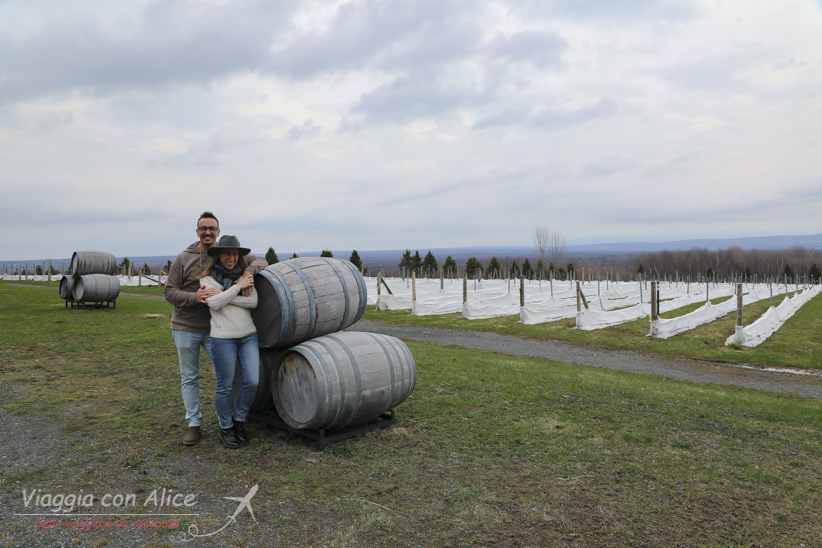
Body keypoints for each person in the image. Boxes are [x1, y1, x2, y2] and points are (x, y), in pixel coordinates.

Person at [164, 212, 266, 446]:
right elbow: (169, 292)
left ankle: (231, 421)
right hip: (187, 326)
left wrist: (249, 272)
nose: (208, 232)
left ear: (218, 232)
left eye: (212, 228)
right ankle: (194, 424)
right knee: (190, 377)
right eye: (203, 228)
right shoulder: (184, 258)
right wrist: (194, 297)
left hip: (216, 329)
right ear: (197, 231)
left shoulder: (230, 253)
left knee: (230, 380)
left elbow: (261, 261)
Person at [198, 235, 259, 449]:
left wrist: (225, 292)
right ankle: (226, 427)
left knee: (251, 381)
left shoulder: (245, 276)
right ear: (219, 256)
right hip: (223, 338)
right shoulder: (206, 280)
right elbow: (213, 304)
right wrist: (236, 288)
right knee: (225, 385)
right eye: (227, 254)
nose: (231, 258)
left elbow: (253, 301)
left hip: (248, 335)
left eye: (235, 254)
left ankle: (239, 421)